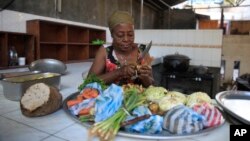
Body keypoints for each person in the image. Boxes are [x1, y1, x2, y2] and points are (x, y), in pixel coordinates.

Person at [87, 11, 154, 87]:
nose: (126, 39)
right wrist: (119, 72)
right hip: (111, 98)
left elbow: (151, 84)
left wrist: (145, 77)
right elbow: (89, 81)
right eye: (120, 35)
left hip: (138, 98)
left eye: (130, 34)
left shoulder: (142, 51)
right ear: (112, 35)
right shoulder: (105, 51)